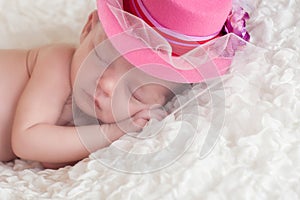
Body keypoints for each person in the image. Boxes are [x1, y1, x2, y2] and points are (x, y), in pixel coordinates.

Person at [0, 0, 250, 169]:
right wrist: (114, 132)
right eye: (99, 57)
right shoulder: (57, 62)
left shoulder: (90, 117)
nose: (106, 84)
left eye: (135, 93)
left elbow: (50, 159)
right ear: (88, 28)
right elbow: (27, 141)